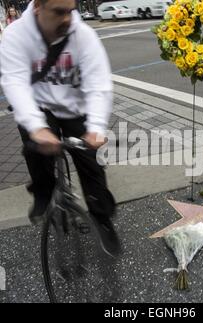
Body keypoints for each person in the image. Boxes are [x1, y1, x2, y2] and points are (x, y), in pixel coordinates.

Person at [0, 0, 121, 257]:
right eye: (58, 12)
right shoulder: (15, 35)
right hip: (39, 106)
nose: (67, 19)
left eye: (70, 10)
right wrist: (36, 127)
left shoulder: (83, 35)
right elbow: (14, 82)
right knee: (35, 147)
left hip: (75, 107)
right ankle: (43, 191)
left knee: (91, 165)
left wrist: (96, 127)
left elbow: (98, 84)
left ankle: (101, 217)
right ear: (37, 9)